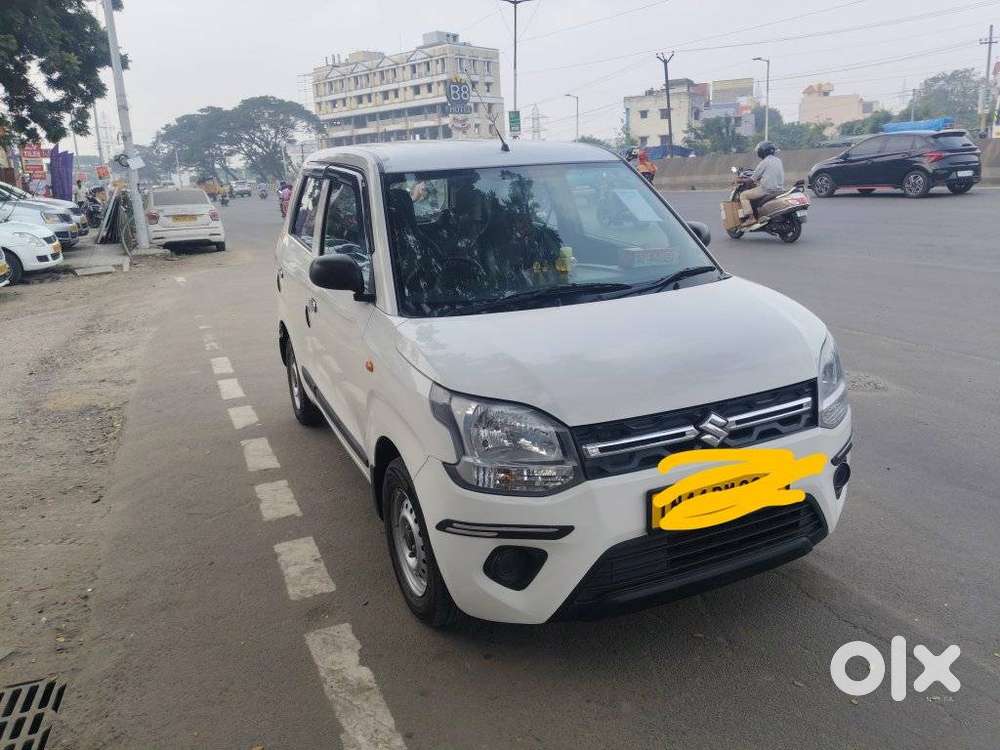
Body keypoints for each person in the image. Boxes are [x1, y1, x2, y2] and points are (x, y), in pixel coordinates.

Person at [739, 141, 784, 221]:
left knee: (743, 195)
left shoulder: (764, 162)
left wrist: (741, 180)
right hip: (780, 189)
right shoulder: (778, 160)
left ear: (762, 152)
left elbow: (752, 179)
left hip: (767, 190)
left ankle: (751, 218)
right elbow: (770, 174)